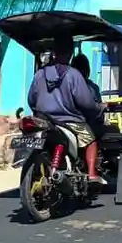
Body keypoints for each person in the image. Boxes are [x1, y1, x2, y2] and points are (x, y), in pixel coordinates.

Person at [26, 37, 105, 184]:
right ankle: (92, 174)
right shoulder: (73, 75)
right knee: (91, 140)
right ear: (70, 54)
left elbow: (31, 100)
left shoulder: (39, 74)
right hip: (69, 122)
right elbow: (86, 103)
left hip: (43, 121)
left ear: (54, 53)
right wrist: (98, 109)